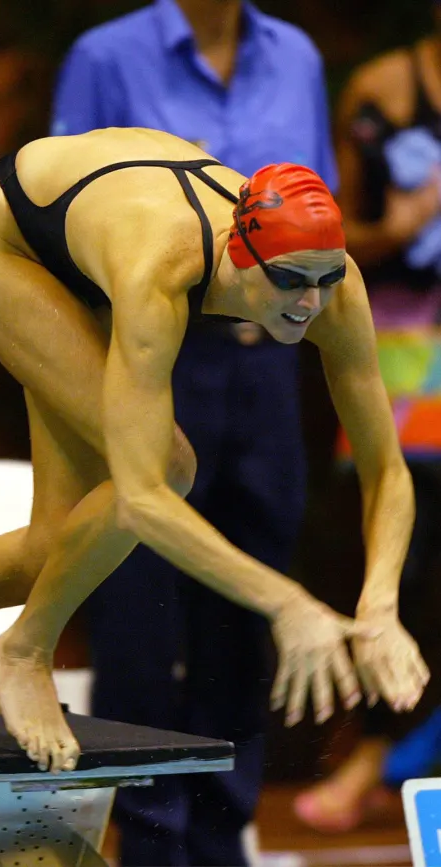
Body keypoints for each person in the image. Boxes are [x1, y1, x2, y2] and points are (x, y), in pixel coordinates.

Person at [0, 129, 428, 791]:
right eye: (289, 281)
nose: (309, 302)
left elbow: (386, 469)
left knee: (59, 545)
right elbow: (141, 495)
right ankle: (24, 648)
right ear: (240, 256)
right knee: (166, 467)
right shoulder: (160, 271)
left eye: (325, 279)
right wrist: (287, 603)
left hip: (97, 230)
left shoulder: (332, 286)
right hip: (13, 238)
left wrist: (381, 607)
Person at [50, 4, 338, 861]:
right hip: (156, 350)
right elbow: (72, 231)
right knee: (140, 598)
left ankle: (221, 835)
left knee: (245, 606)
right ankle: (145, 838)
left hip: (269, 360)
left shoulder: (297, 55)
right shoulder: (104, 55)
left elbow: (318, 210)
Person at [293, 6, 441, 834]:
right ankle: (372, 753)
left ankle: (402, 756)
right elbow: (329, 233)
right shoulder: (386, 88)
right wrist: (401, 224)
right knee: (405, 565)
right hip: (406, 355)